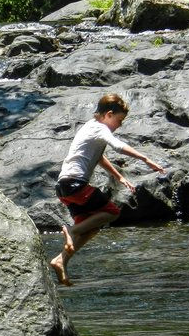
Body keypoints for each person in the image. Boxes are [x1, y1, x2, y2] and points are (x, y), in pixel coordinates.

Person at [50, 93, 166, 286]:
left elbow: (99, 157)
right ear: (109, 114)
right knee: (112, 212)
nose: (120, 125)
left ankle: (61, 260)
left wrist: (119, 176)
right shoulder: (99, 127)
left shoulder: (89, 128)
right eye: (119, 120)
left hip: (65, 188)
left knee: (91, 228)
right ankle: (71, 230)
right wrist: (146, 159)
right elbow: (118, 146)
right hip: (75, 184)